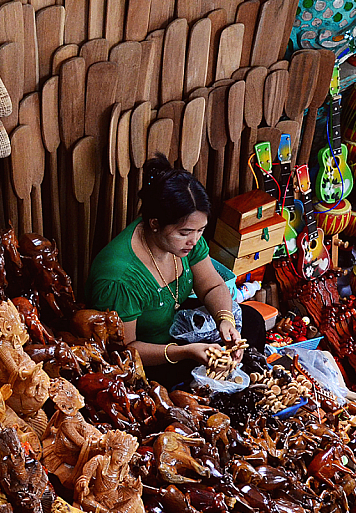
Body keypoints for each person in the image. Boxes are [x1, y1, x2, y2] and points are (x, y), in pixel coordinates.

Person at [88, 157, 264, 385]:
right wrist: (185, 351)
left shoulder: (186, 241)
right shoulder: (121, 278)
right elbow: (125, 352)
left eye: (201, 230)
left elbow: (211, 285)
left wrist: (225, 320)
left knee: (252, 322)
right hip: (147, 356)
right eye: (185, 232)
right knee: (196, 373)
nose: (194, 240)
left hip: (175, 326)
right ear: (154, 224)